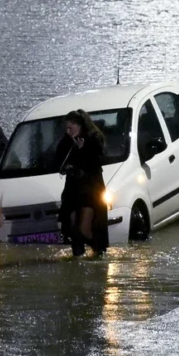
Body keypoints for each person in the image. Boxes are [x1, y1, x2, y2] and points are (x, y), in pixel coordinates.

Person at [57, 109, 108, 257]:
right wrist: (65, 167)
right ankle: (78, 256)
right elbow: (57, 159)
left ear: (79, 125)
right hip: (73, 188)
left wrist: (82, 150)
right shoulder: (66, 140)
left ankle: (99, 250)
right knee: (72, 227)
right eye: (66, 128)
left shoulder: (94, 138)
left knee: (84, 227)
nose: (68, 131)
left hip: (91, 189)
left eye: (70, 128)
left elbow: (100, 159)